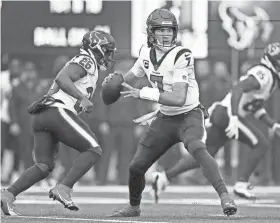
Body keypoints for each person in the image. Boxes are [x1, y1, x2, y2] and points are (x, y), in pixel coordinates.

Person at [108, 8, 237, 217]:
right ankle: (134, 206)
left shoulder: (181, 55)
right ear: (151, 32)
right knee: (136, 167)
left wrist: (142, 93)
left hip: (188, 115)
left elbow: (178, 98)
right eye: (161, 30)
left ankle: (224, 196)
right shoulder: (144, 52)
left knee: (197, 148)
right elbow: (130, 78)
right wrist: (114, 86)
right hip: (165, 119)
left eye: (169, 30)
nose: (166, 34)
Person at [1, 30, 117, 215]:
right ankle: (64, 187)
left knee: (43, 166)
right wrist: (82, 98)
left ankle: (8, 195)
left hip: (43, 115)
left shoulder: (89, 65)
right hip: (56, 111)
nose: (109, 54)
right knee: (94, 149)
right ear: (95, 48)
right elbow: (62, 78)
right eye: (106, 49)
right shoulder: (87, 60)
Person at [151, 42, 280, 200]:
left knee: (205, 154)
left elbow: (254, 107)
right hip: (227, 114)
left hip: (223, 114)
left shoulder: (271, 80)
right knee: (261, 144)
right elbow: (237, 89)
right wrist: (233, 116)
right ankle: (242, 183)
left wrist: (272, 124)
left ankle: (164, 177)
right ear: (271, 60)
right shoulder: (264, 74)